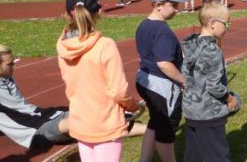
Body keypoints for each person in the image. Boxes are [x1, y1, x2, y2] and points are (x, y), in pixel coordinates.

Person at [56, 0, 144, 162]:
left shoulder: (62, 45)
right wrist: (134, 106)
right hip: (104, 121)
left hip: (80, 119)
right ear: (97, 12)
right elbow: (119, 90)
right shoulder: (104, 45)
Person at [0, 45, 145, 149]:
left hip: (47, 115)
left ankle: (146, 127)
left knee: (93, 113)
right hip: (35, 131)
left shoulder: (7, 78)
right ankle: (143, 128)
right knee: (90, 120)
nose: (14, 66)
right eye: (9, 64)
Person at [181, 3, 247, 162]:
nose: (228, 27)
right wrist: (229, 97)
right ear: (212, 24)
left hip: (192, 108)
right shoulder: (212, 50)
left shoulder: (190, 44)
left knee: (193, 150)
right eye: (226, 23)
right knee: (218, 154)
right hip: (209, 111)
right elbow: (214, 86)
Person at [133, 0, 186, 162]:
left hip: (144, 79)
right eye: (173, 5)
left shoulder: (144, 25)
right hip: (160, 85)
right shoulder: (162, 31)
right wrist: (183, 80)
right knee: (166, 126)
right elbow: (164, 63)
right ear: (158, 4)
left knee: (155, 121)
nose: (177, 10)